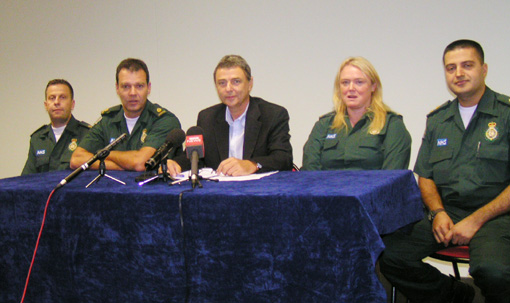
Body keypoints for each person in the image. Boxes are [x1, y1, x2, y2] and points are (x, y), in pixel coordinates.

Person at [380, 40, 510, 303]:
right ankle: (456, 295)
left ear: (484, 69)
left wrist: (476, 220)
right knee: (390, 256)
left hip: (496, 215)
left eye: (467, 65)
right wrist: (438, 212)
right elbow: (425, 176)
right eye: (451, 68)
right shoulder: (438, 119)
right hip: (447, 212)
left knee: (493, 272)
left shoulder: (506, 114)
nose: (458, 73)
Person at [167, 54, 293, 177]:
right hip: (218, 193)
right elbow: (194, 157)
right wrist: (177, 164)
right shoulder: (207, 118)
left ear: (250, 84)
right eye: (222, 83)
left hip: (258, 192)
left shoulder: (273, 115)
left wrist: (252, 165)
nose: (228, 88)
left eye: (236, 81)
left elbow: (283, 159)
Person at [70, 58, 181, 171]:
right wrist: (124, 165)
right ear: (117, 88)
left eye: (139, 86)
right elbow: (76, 159)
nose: (132, 93)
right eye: (126, 86)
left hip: (149, 188)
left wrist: (104, 154)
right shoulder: (108, 120)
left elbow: (140, 163)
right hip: (111, 188)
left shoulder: (164, 120)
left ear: (149, 88)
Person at [301, 57, 411, 171]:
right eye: (345, 83)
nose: (351, 88)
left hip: (374, 188)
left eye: (359, 82)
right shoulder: (324, 125)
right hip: (326, 188)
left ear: (373, 86)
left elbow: (392, 178)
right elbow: (310, 170)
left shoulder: (391, 125)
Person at [22, 79, 90, 175]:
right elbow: (27, 179)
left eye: (62, 97)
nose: (56, 102)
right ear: (46, 105)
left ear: (72, 104)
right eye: (52, 98)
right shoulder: (38, 139)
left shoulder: (87, 134)